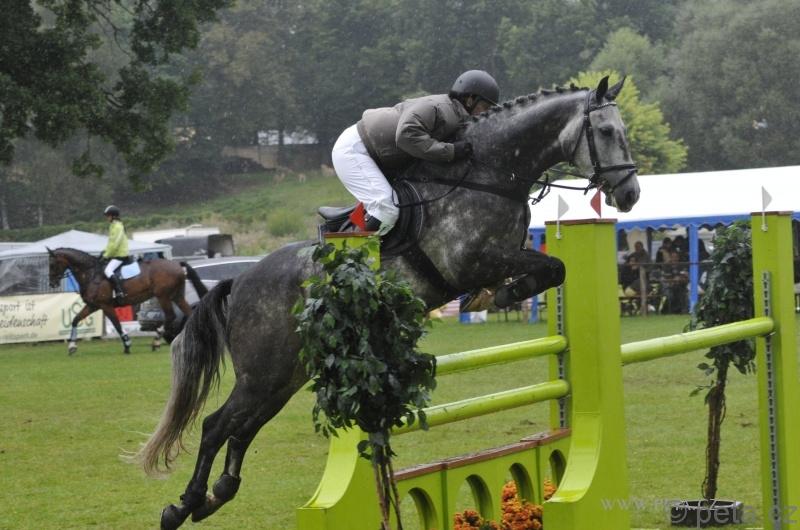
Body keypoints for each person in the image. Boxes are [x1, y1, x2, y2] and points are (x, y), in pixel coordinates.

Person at [331, 70, 499, 234]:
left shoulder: (456, 115)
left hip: (375, 152)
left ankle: (353, 228)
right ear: (470, 100)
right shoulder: (439, 108)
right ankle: (350, 251)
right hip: (355, 149)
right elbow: (406, 136)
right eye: (485, 107)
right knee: (387, 209)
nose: (486, 114)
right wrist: (451, 152)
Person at [101, 205, 130, 299]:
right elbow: (110, 243)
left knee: (107, 270)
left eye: (108, 216)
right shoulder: (113, 226)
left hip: (120, 255)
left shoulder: (117, 227)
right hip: (115, 254)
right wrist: (104, 252)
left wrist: (106, 256)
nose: (107, 218)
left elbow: (115, 244)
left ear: (113, 216)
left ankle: (119, 291)